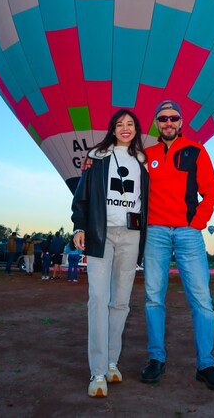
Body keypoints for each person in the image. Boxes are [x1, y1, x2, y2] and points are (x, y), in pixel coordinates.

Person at [140, 100, 214, 391]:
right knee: (154, 297)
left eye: (173, 118)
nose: (168, 122)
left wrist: (196, 223)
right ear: (156, 123)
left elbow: (211, 193)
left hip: (188, 233)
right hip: (155, 233)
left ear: (181, 121)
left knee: (201, 300)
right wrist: (92, 160)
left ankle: (206, 364)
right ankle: (156, 359)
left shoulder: (197, 151)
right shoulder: (146, 155)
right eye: (162, 118)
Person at [72, 109, 149, 398]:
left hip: (132, 236)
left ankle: (112, 362)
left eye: (130, 124)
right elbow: (81, 194)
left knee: (121, 303)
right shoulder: (98, 156)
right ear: (113, 129)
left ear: (137, 129)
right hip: (101, 235)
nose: (125, 128)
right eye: (120, 124)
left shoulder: (143, 161)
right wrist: (79, 225)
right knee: (98, 299)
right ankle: (98, 372)